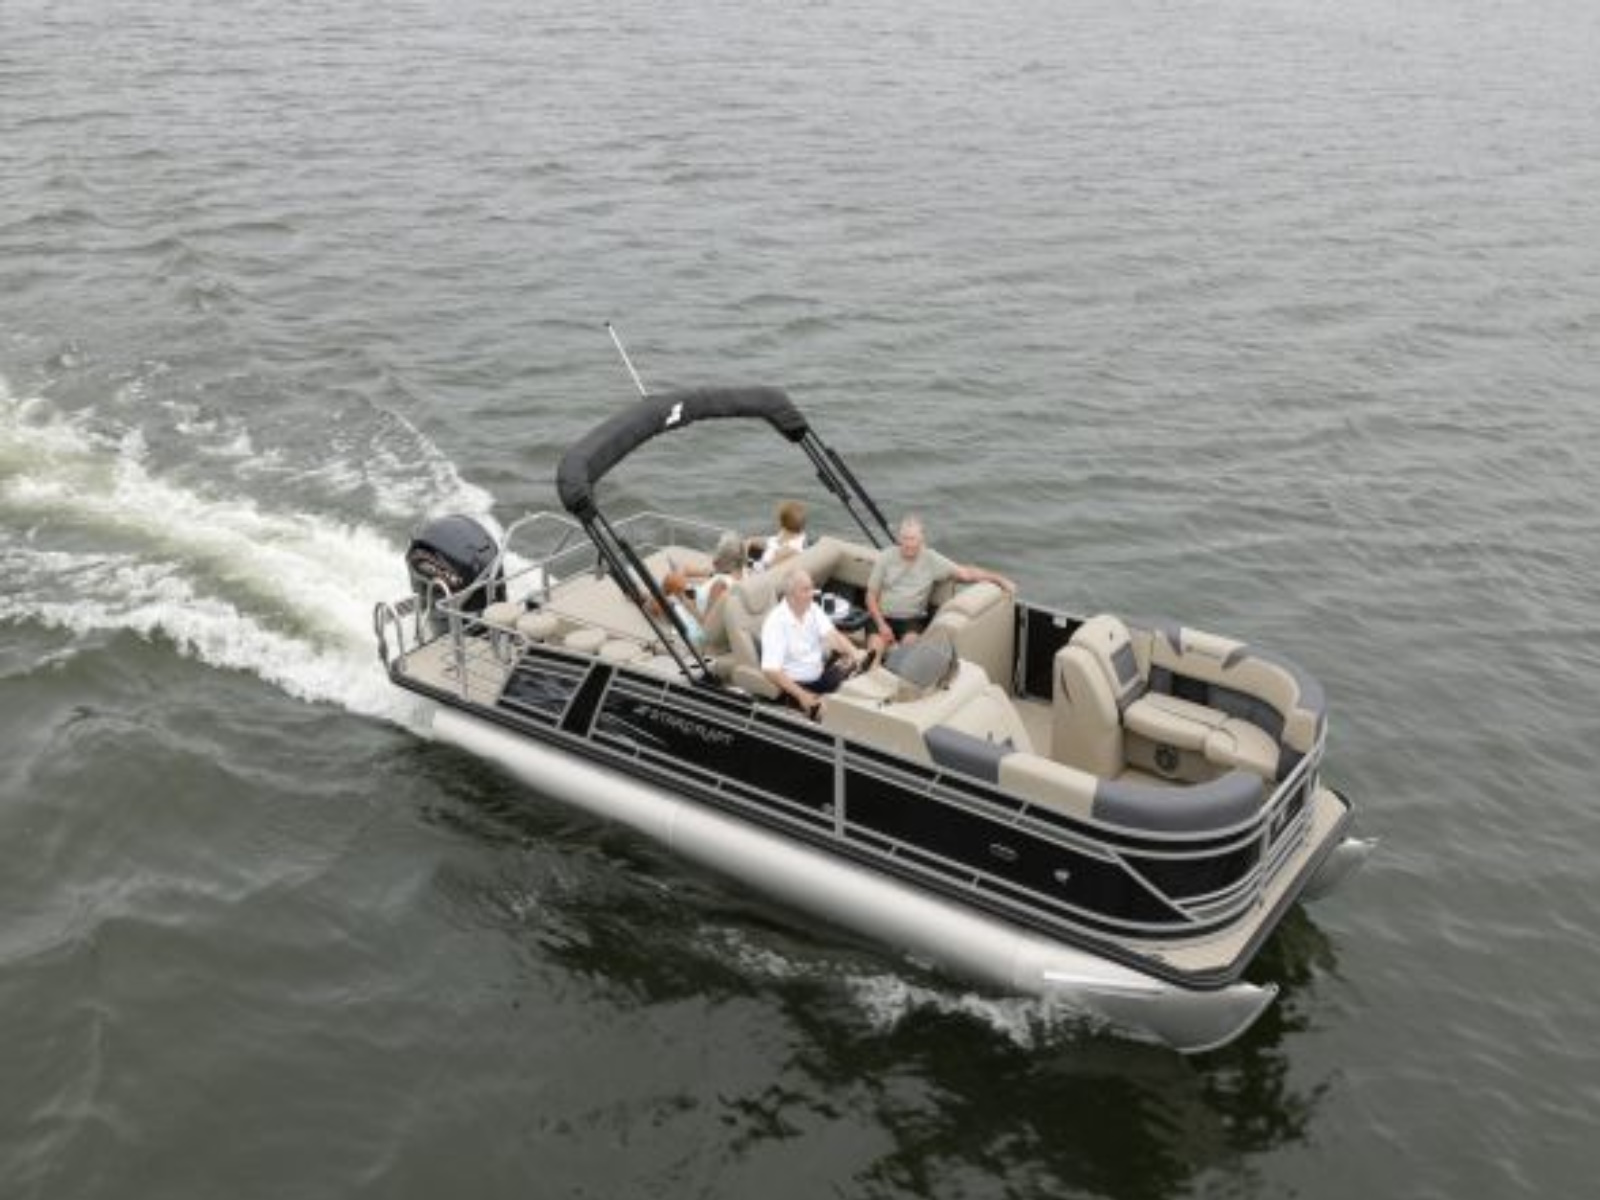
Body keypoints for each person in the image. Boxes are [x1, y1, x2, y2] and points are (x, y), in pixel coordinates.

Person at [865, 514, 1016, 653]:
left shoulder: (931, 559)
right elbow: (870, 596)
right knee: (874, 651)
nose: (909, 544)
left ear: (921, 540)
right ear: (899, 539)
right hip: (882, 616)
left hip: (912, 619)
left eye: (913, 539)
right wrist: (881, 625)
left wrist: (999, 579)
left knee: (909, 651)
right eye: (905, 538)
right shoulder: (886, 557)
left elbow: (966, 573)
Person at [761, 569, 868, 718]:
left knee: (859, 687)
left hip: (819, 675)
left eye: (812, 588)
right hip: (797, 686)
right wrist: (802, 695)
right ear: (791, 594)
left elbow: (833, 636)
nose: (812, 594)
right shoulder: (776, 623)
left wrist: (854, 652)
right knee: (839, 714)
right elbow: (771, 670)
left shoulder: (812, 609)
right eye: (805, 590)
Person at [750, 499, 808, 571]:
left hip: (764, 570)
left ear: (780, 522)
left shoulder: (788, 551)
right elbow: (772, 541)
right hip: (767, 557)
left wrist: (750, 567)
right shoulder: (793, 536)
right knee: (749, 542)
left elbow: (768, 569)